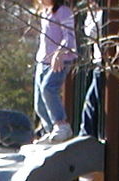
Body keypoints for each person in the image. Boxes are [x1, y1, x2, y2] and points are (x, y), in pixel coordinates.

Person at [33, 0, 77, 144]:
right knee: (39, 102)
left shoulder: (64, 12)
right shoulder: (45, 12)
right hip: (43, 61)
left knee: (48, 88)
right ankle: (50, 129)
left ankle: (61, 125)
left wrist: (59, 53)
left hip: (60, 60)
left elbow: (69, 36)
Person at [79, 1, 107, 139]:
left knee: (93, 102)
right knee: (91, 102)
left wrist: (92, 14)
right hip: (97, 63)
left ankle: (87, 135)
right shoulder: (94, 14)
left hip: (103, 63)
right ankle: (86, 134)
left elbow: (91, 32)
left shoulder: (104, 14)